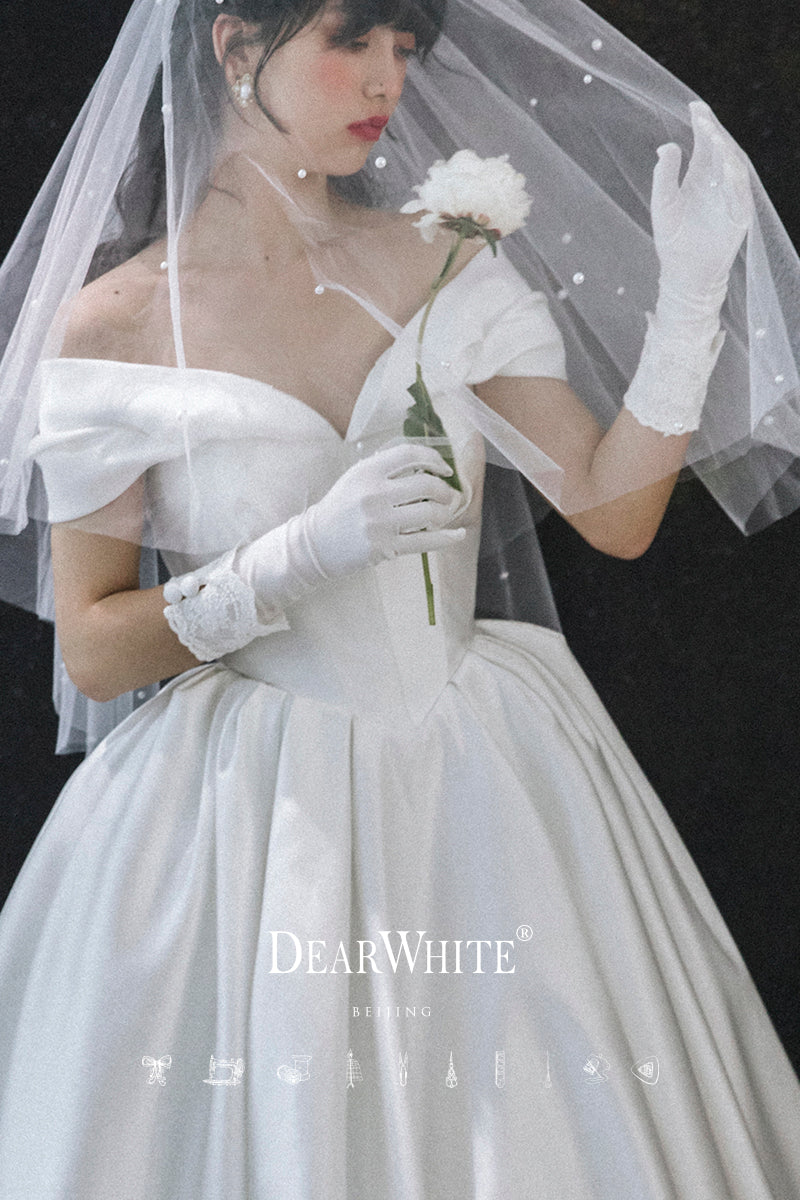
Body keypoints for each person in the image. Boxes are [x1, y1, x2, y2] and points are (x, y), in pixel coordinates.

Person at [0, 0, 799, 1195]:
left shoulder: (445, 261)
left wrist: (690, 301)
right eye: (352, 41)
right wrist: (288, 561)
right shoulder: (117, 326)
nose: (388, 81)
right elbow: (95, 649)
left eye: (404, 49)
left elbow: (611, 511)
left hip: (480, 774)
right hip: (251, 818)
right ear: (234, 45)